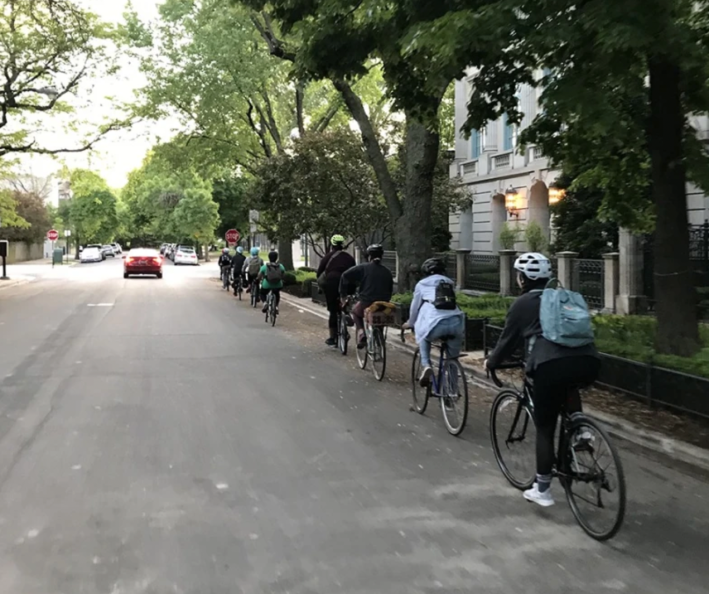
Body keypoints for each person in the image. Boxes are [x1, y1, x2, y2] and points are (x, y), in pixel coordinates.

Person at [484, 252, 600, 508]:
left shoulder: (523, 303)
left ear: (523, 278)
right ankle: (581, 430)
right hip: (588, 360)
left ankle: (543, 489)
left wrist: (491, 363)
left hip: (549, 365)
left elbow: (507, 341)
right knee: (568, 384)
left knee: (545, 428)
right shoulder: (563, 296)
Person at [404, 258, 465, 386]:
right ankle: (451, 395)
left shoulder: (421, 284)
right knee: (452, 359)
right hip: (456, 321)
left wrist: (411, 322)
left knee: (424, 338)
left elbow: (414, 307)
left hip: (435, 323)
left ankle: (426, 365)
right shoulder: (449, 282)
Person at [339, 244, 394, 349]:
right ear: (381, 256)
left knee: (356, 312)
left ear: (369, 256)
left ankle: (361, 333)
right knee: (379, 319)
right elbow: (390, 289)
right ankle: (379, 339)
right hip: (383, 303)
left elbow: (345, 275)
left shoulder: (363, 268)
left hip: (367, 301)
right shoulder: (387, 271)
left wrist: (343, 294)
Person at [317, 234, 356, 347]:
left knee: (333, 310)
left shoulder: (327, 257)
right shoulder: (349, 258)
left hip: (332, 283)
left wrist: (321, 287)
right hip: (348, 283)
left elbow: (319, 273)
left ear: (332, 245)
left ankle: (332, 337)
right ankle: (346, 312)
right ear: (343, 244)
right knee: (345, 302)